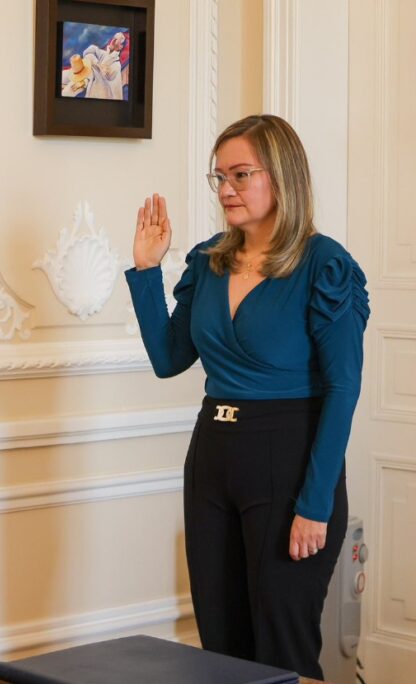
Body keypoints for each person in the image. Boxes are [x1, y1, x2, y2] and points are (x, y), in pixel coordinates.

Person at [125, 114, 369, 680]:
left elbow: (343, 388)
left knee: (282, 650)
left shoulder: (324, 264)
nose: (226, 189)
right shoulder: (209, 259)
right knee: (221, 649)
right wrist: (146, 270)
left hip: (288, 460)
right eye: (220, 177)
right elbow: (168, 359)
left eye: (240, 174)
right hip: (212, 457)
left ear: (281, 176)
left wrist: (314, 505)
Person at [82, 31, 127, 100]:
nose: (112, 41)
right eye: (114, 38)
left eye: (116, 40)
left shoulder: (116, 65)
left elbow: (106, 74)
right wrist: (97, 64)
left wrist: (97, 65)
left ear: (121, 47)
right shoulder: (102, 54)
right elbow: (88, 52)